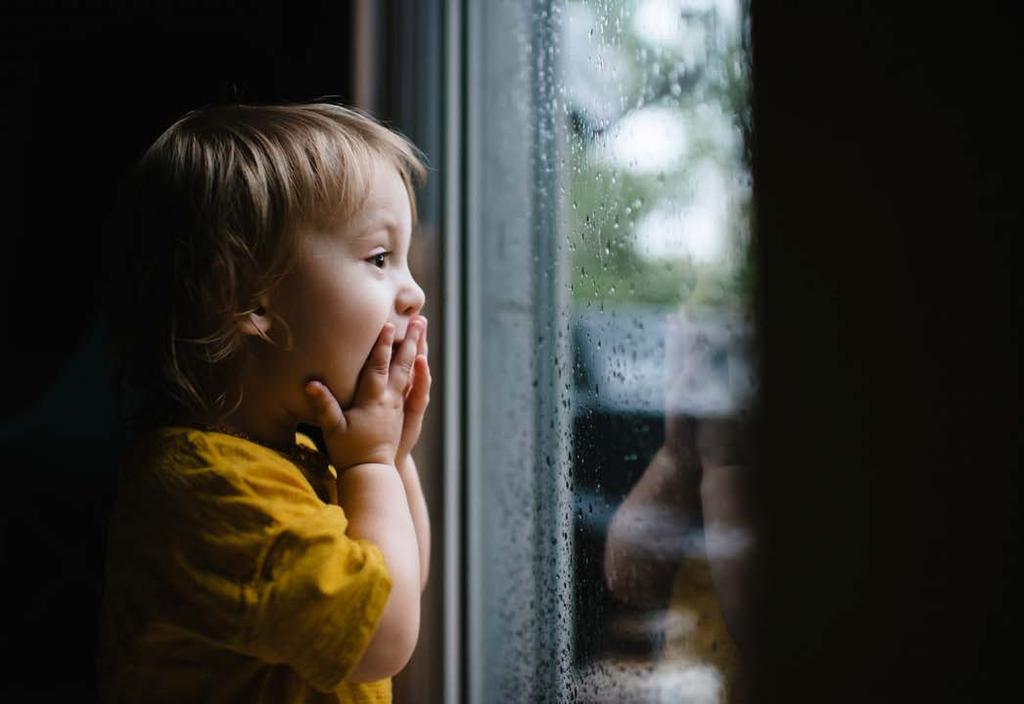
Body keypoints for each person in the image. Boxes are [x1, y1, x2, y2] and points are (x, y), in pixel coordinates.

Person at [96, 102, 432, 703]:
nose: (415, 292)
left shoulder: (303, 453)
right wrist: (372, 465)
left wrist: (393, 457)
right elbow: (382, 633)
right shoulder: (206, 487)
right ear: (245, 298)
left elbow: (403, 580)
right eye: (381, 259)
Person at [604, 310, 758, 704]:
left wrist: (725, 465)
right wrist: (678, 455)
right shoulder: (690, 471)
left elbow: (750, 620)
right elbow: (626, 577)